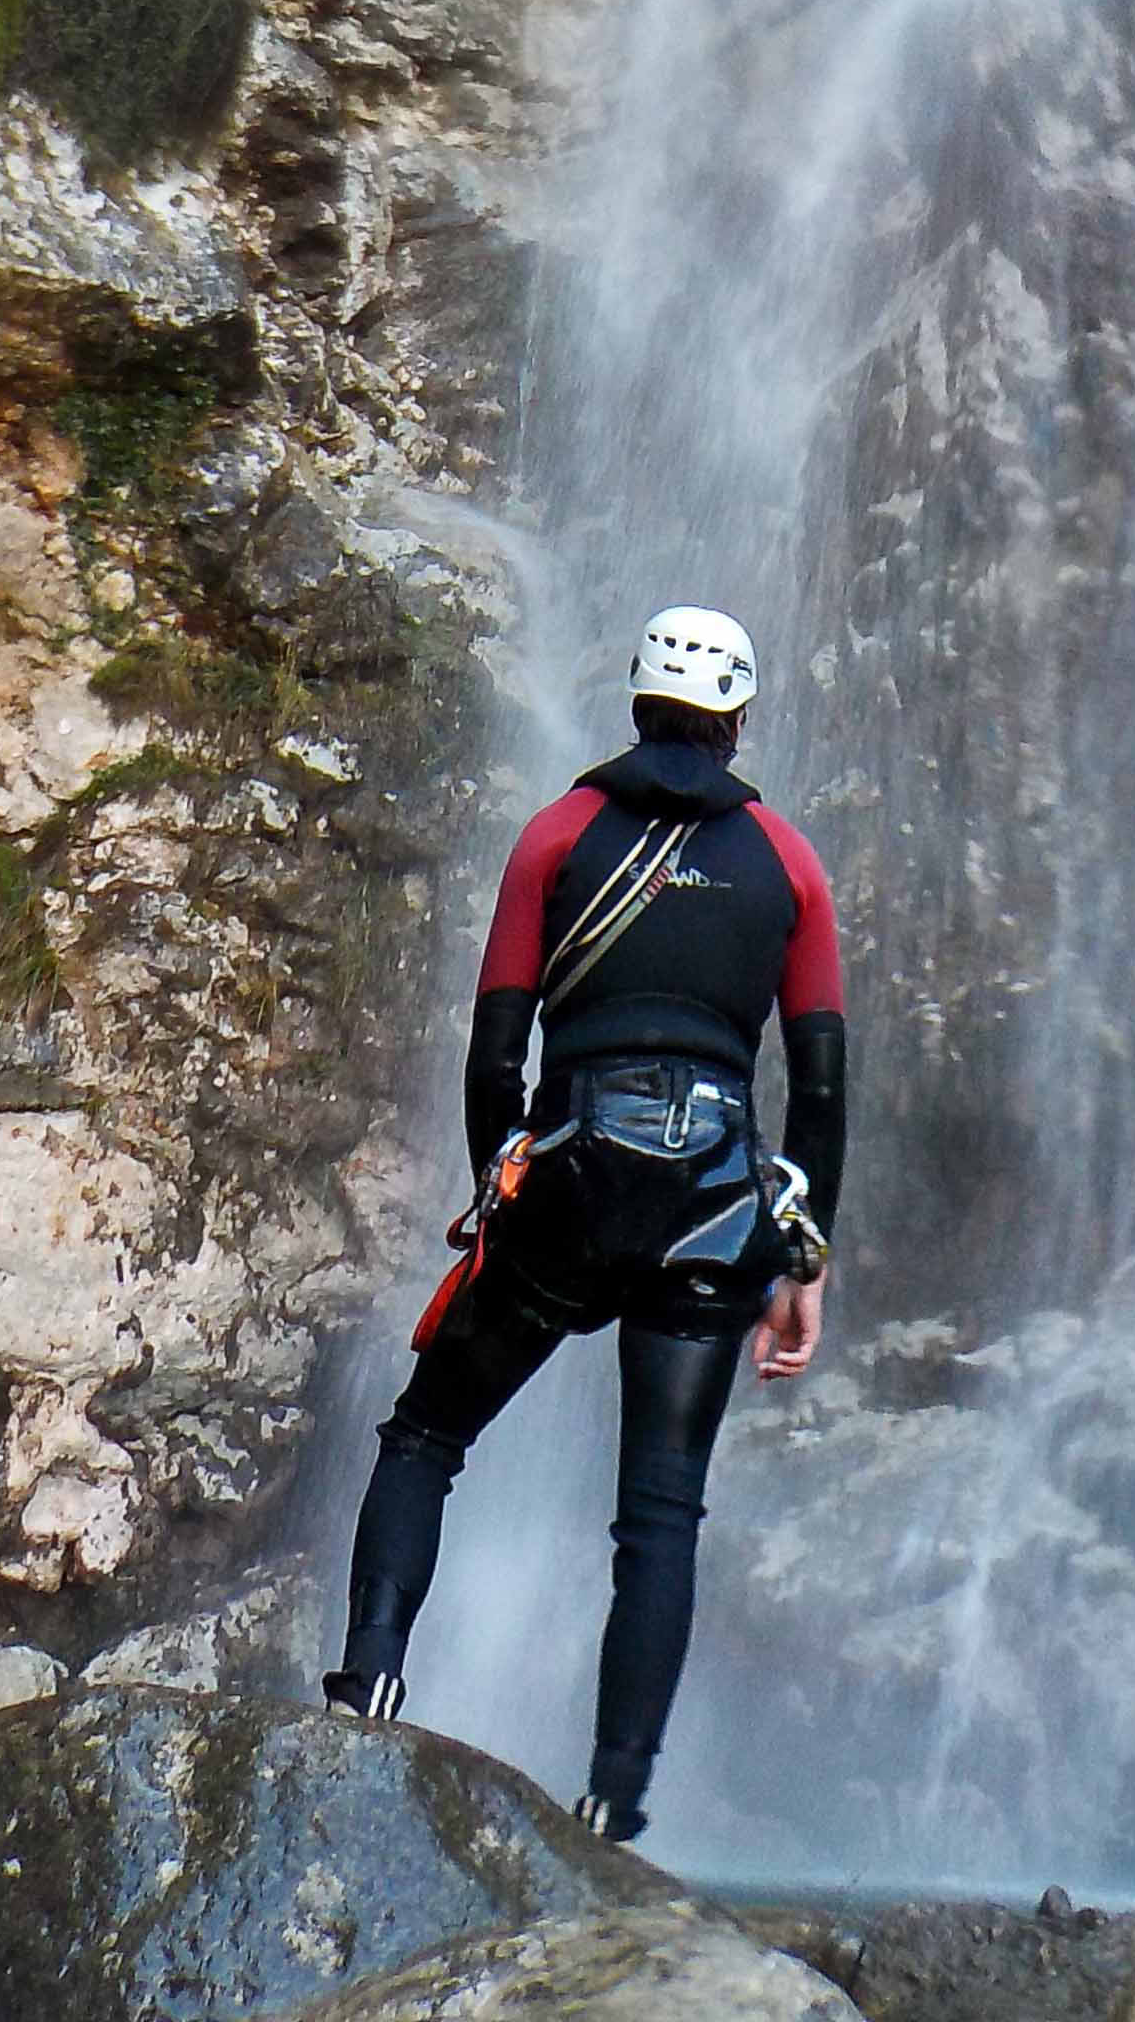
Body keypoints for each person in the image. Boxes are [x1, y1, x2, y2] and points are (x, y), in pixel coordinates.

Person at [322, 603, 847, 1846]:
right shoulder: (791, 862)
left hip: (570, 1181)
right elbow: (820, 1083)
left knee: (427, 1434)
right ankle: (615, 1794)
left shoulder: (558, 834)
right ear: (738, 715)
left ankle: (373, 1682)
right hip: (718, 1210)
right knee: (660, 1512)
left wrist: (493, 1187)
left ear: (635, 701)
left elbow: (498, 1039)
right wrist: (803, 1255)